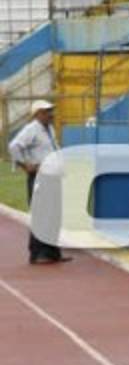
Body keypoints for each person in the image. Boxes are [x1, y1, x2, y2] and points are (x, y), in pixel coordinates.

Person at [7, 100, 71, 264]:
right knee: (41, 214)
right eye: (46, 111)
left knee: (54, 215)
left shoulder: (48, 129)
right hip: (40, 177)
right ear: (37, 114)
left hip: (52, 176)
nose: (51, 114)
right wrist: (25, 165)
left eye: (51, 110)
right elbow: (14, 146)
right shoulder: (31, 129)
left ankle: (53, 252)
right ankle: (37, 253)